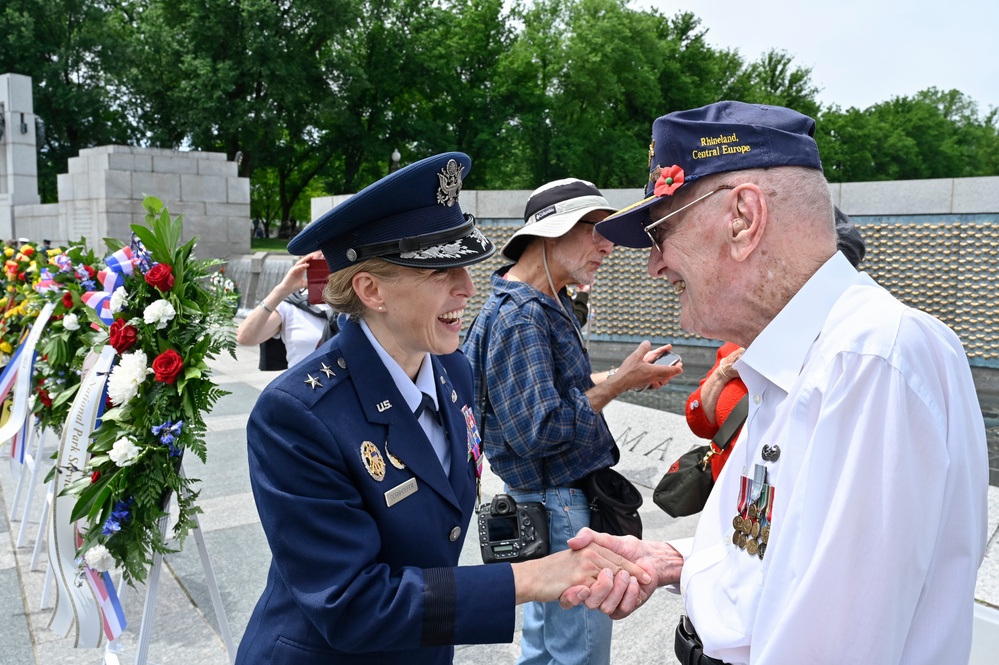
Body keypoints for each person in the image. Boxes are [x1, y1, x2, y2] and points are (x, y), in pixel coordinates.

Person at [561, 101, 988, 664]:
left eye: (660, 232)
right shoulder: (801, 360)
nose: (655, 266)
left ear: (742, 218)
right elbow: (779, 560)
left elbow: (829, 649)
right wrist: (675, 561)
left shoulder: (868, 362)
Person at [235, 153, 650, 665]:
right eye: (439, 271)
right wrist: (533, 577)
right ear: (371, 290)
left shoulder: (452, 370)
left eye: (466, 266)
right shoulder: (297, 414)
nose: (468, 288)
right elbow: (349, 604)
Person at [462, 177, 683, 665]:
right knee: (577, 652)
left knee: (545, 648)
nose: (607, 245)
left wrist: (625, 375)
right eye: (594, 229)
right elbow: (535, 431)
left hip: (544, 504)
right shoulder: (523, 317)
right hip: (558, 504)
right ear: (550, 233)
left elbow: (543, 396)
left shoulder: (539, 303)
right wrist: (617, 384)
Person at [685, 210, 867, 483]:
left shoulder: (846, 356)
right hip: (731, 503)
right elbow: (698, 420)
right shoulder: (741, 338)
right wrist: (724, 372)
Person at [235, 250, 337, 369]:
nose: (323, 254)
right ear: (303, 258)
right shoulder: (290, 306)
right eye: (316, 248)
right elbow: (244, 338)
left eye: (328, 246)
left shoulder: (359, 301)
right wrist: (282, 290)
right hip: (302, 384)